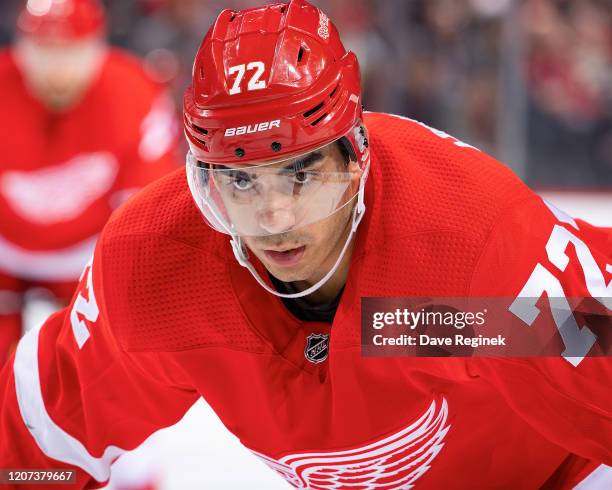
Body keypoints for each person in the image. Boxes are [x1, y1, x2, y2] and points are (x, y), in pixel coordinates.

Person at [1, 0, 610, 488]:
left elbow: (593, 360)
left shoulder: (461, 248)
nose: (273, 217)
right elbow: (36, 451)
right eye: (240, 180)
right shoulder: (158, 264)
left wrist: (414, 325)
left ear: (356, 156)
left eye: (301, 174)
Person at [0, 0, 179, 367]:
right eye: (43, 51)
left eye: (71, 52)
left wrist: (130, 278)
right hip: (5, 252)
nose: (56, 70)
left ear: (98, 46)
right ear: (19, 48)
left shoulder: (135, 92)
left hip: (87, 254)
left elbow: (147, 204)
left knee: (94, 368)